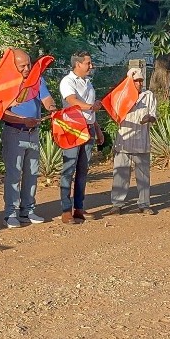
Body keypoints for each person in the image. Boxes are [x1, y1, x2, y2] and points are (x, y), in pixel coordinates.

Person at [1, 49, 57, 228]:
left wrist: (53, 109)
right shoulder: (6, 84)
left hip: (33, 133)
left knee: (32, 173)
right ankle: (10, 213)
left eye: (29, 64)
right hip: (14, 133)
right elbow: (1, 112)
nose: (27, 68)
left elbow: (47, 98)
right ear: (13, 66)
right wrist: (23, 120)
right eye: (22, 66)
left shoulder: (37, 80)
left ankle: (28, 210)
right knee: (13, 174)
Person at [58, 50, 104, 225]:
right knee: (69, 169)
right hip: (72, 129)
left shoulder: (88, 82)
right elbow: (72, 101)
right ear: (78, 64)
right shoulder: (67, 81)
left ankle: (78, 207)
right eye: (88, 63)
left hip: (89, 128)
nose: (91, 66)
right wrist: (91, 107)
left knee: (83, 170)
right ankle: (65, 209)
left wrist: (97, 129)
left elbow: (89, 111)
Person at [105, 68, 158, 216]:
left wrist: (150, 118)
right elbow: (113, 112)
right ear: (129, 82)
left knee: (143, 175)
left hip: (142, 140)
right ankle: (117, 204)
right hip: (124, 140)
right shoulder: (120, 96)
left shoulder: (148, 96)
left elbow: (153, 115)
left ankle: (144, 204)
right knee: (120, 173)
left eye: (141, 81)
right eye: (136, 81)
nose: (140, 83)